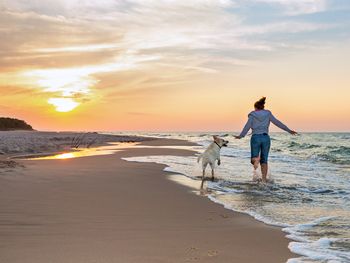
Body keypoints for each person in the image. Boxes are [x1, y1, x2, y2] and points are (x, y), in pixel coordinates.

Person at [234, 97, 297, 183]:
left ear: (256, 108)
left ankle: (256, 160)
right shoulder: (268, 113)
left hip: (255, 137)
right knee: (264, 160)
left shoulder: (253, 115)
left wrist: (241, 136)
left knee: (254, 159)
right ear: (263, 107)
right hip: (265, 138)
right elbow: (277, 123)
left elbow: (247, 126)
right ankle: (264, 180)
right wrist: (288, 130)